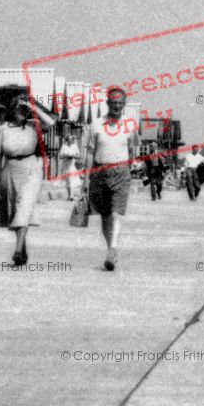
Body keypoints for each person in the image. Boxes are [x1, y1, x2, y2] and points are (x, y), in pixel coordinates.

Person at [84, 86, 139, 271]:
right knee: (105, 215)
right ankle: (111, 250)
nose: (116, 106)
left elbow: (132, 150)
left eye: (120, 103)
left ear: (124, 105)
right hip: (99, 172)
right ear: (107, 103)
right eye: (113, 102)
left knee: (116, 213)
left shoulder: (130, 125)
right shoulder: (96, 124)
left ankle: (112, 248)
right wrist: (86, 178)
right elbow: (90, 152)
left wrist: (126, 170)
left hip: (121, 171)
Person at [0, 96, 45, 266]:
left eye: (25, 110)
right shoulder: (3, 129)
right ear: (12, 110)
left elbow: (51, 122)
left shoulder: (34, 125)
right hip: (10, 169)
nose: (23, 113)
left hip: (31, 169)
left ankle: (17, 250)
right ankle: (22, 248)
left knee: (25, 206)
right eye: (19, 109)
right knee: (15, 210)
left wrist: (33, 107)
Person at [59, 134, 81, 200]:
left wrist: (73, 156)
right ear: (66, 140)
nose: (70, 141)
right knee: (67, 181)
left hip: (72, 165)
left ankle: (72, 196)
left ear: (73, 140)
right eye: (69, 140)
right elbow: (60, 156)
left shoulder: (75, 147)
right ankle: (69, 195)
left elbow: (78, 156)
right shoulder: (64, 147)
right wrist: (65, 156)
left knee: (72, 180)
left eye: (71, 140)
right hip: (66, 165)